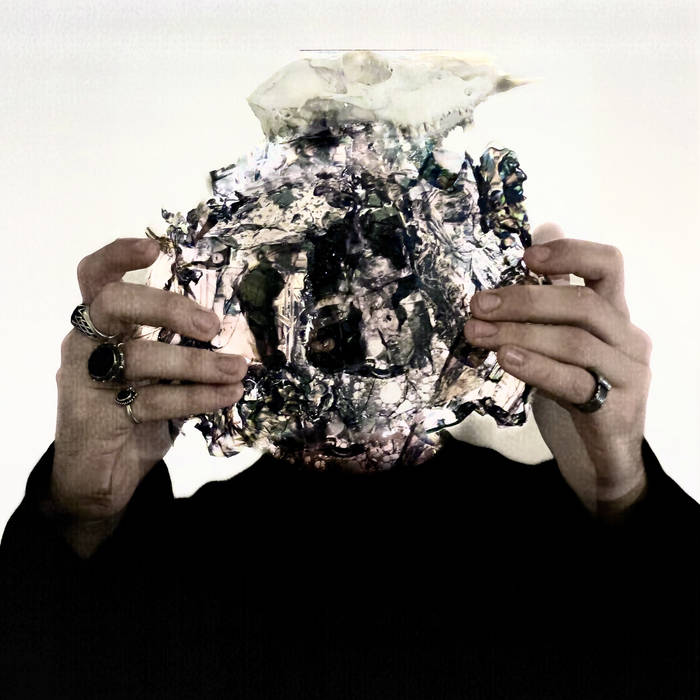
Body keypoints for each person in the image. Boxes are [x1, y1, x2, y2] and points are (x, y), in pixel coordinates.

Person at [1, 225, 698, 700]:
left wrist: (623, 497)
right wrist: (82, 513)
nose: (360, 321)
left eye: (396, 268)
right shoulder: (167, 575)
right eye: (315, 270)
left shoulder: (569, 558)